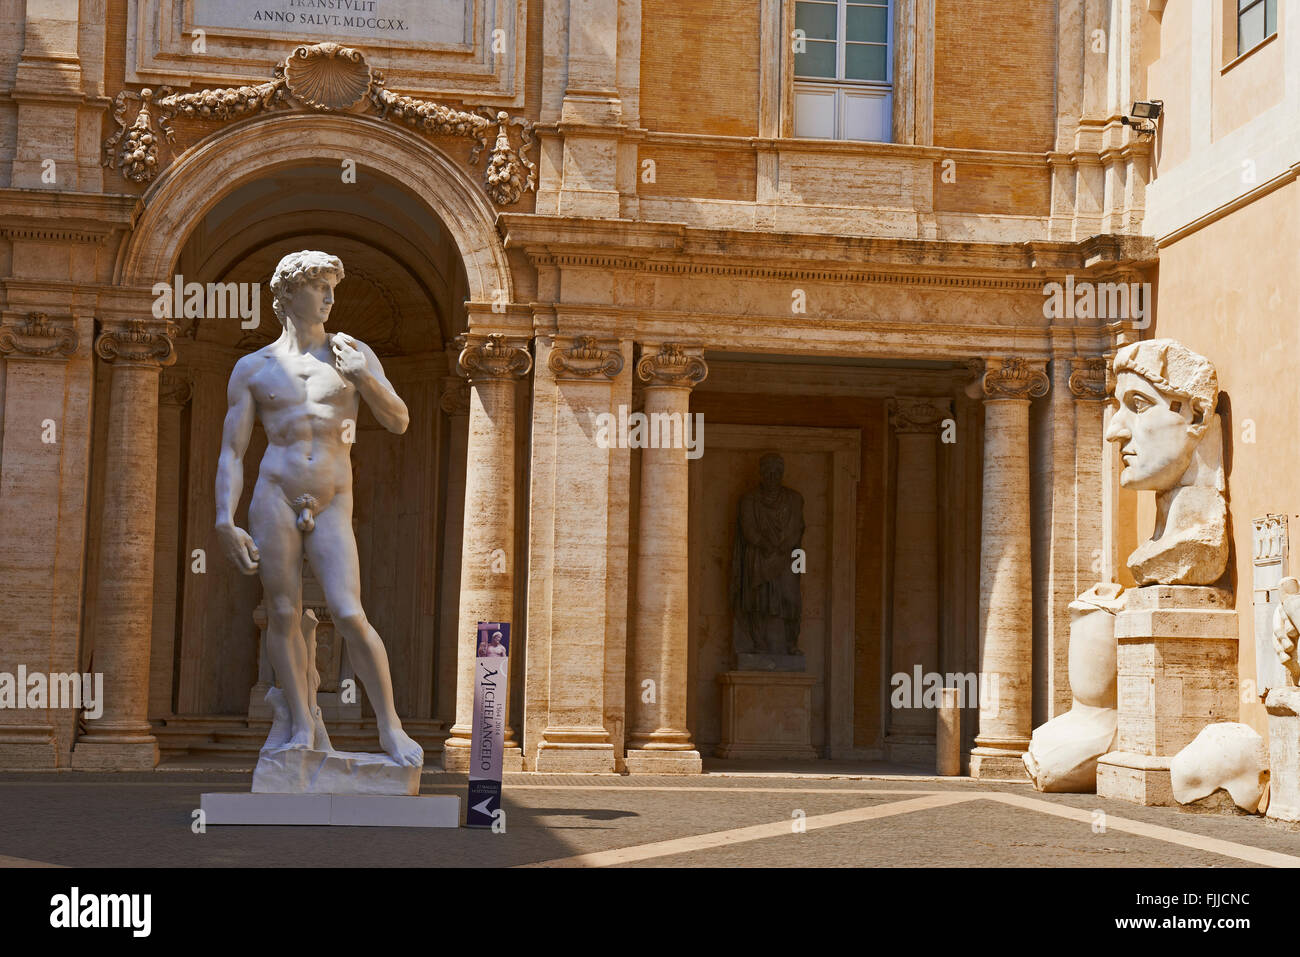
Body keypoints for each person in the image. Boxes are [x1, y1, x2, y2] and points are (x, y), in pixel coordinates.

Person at [214, 249, 424, 768]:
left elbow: (399, 420)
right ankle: (302, 727)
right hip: (274, 494)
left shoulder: (352, 353)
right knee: (282, 613)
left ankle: (390, 729)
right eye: (319, 287)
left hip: (332, 499)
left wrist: (366, 377)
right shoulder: (253, 367)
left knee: (350, 612)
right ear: (287, 294)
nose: (330, 298)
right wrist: (224, 519)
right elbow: (233, 452)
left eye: (334, 287)